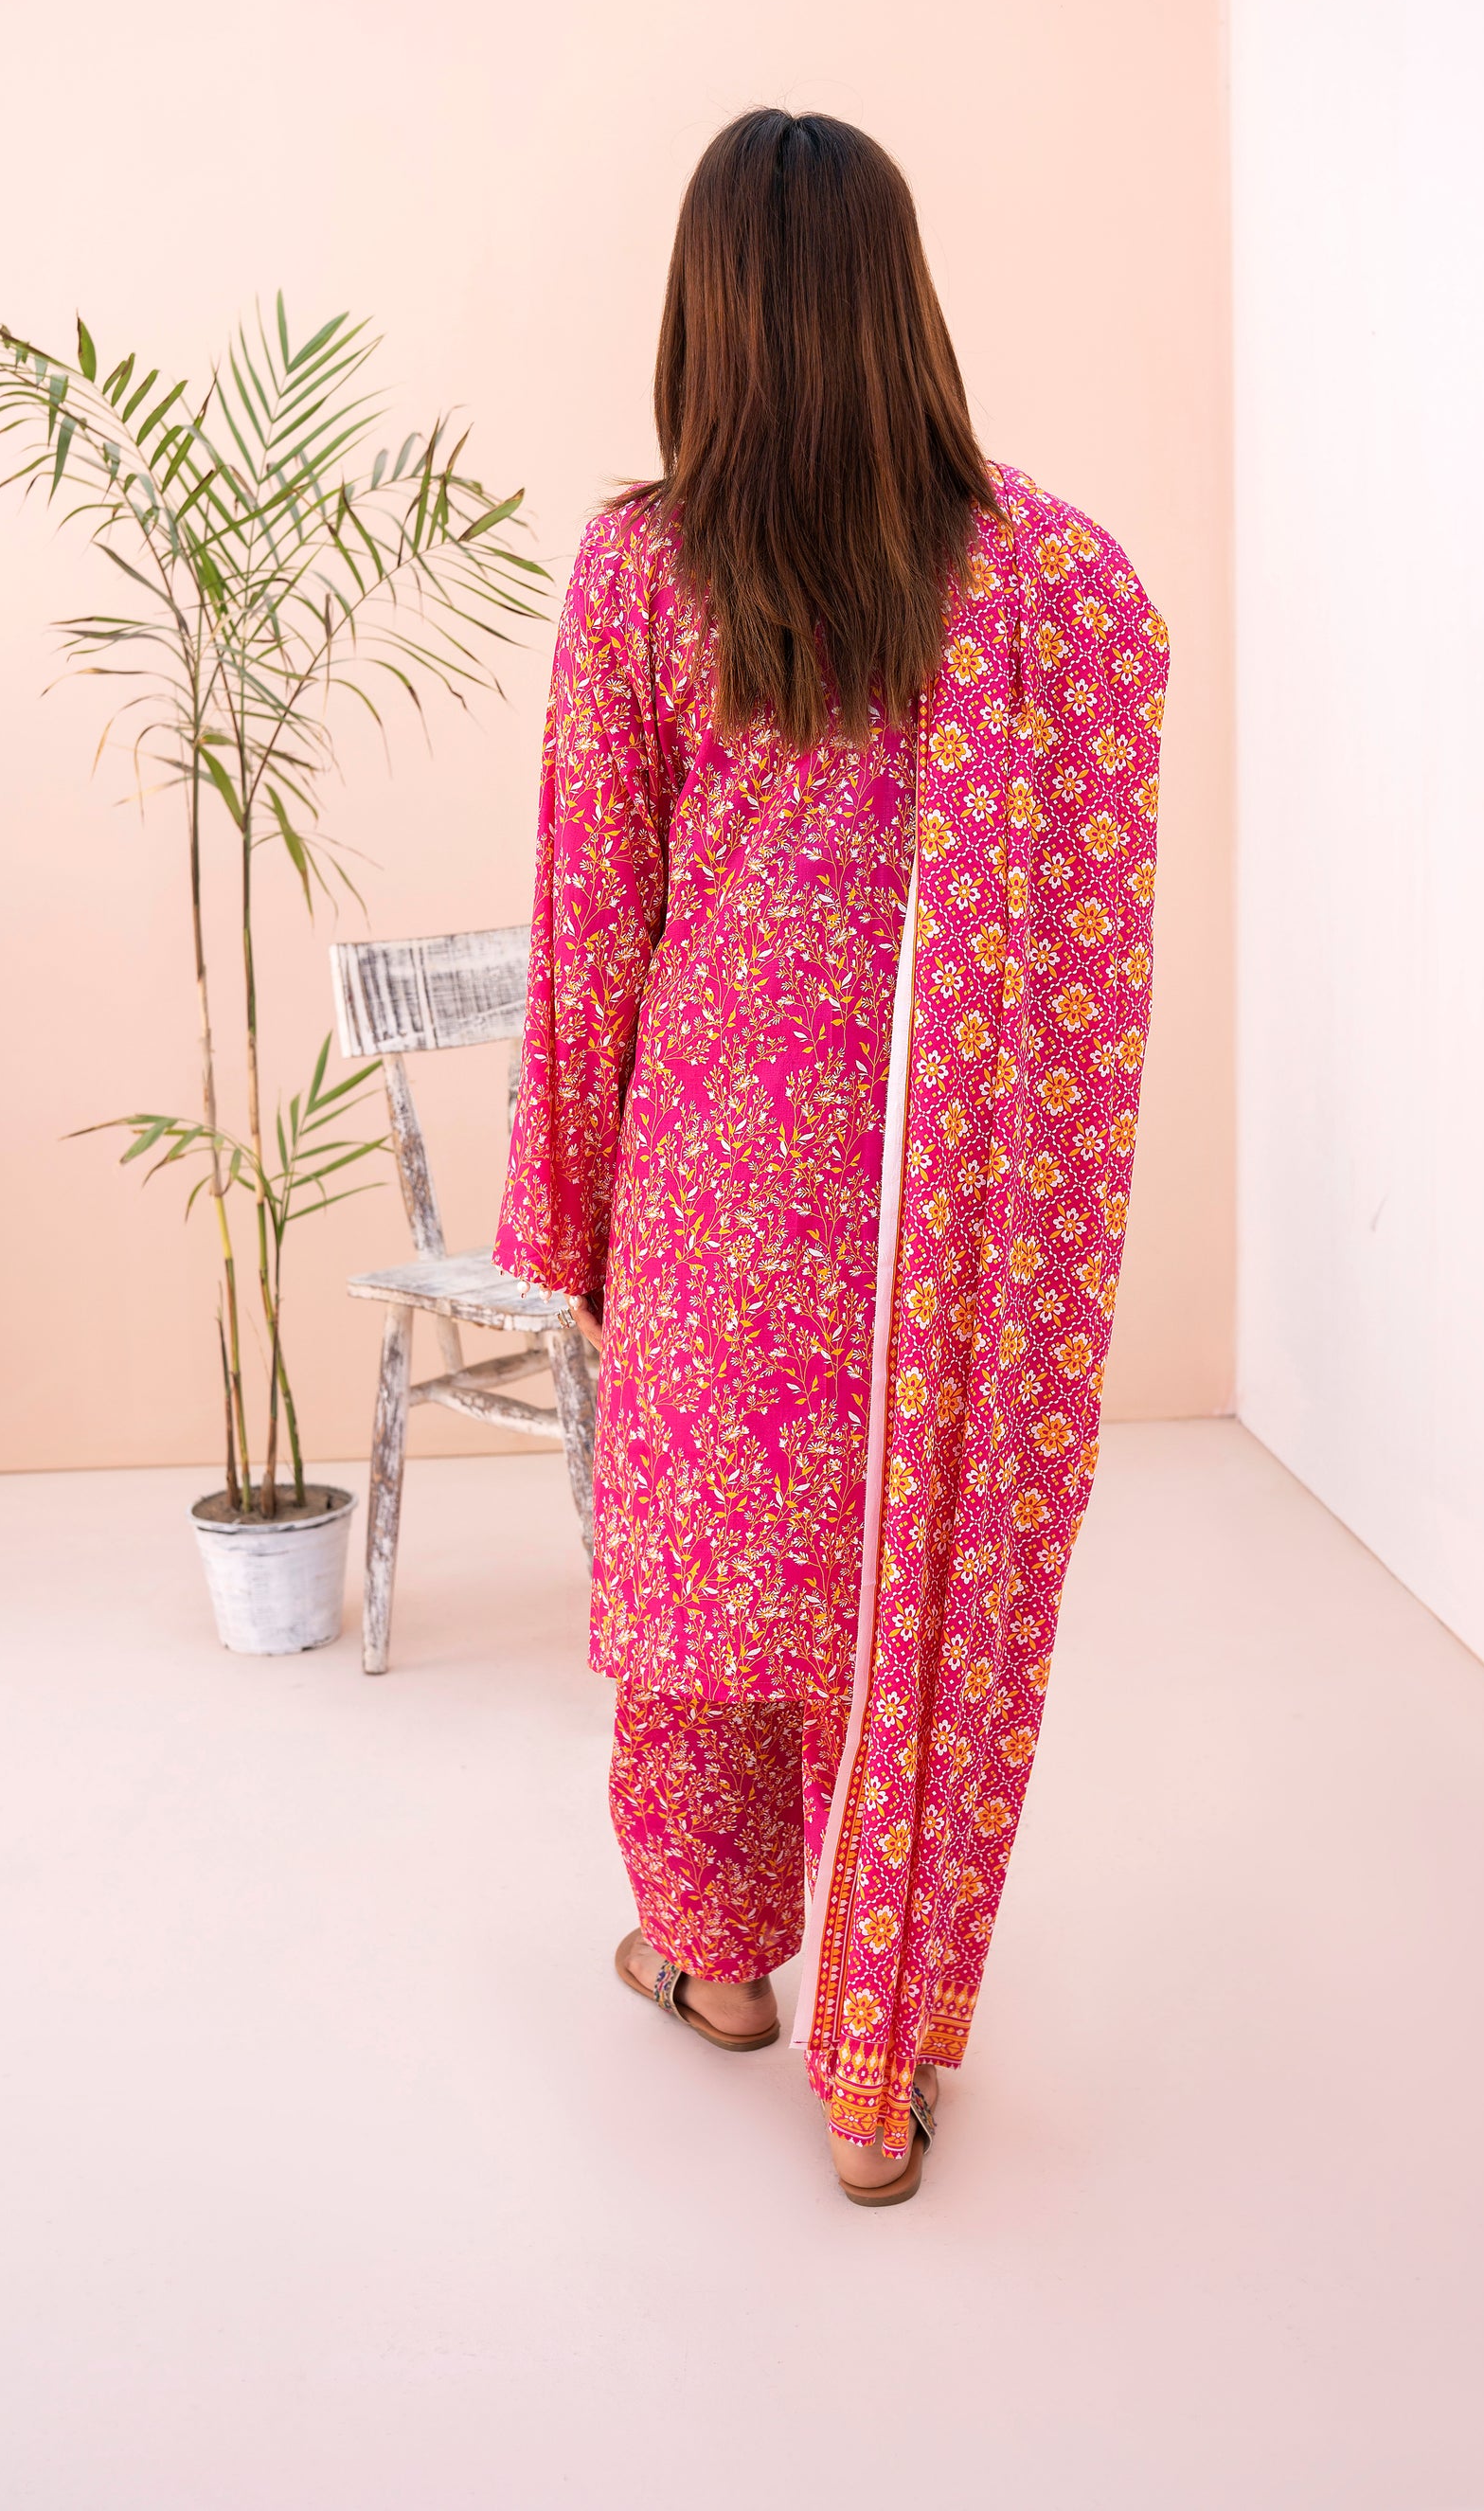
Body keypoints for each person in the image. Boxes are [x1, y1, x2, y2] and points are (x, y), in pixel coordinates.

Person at [497, 108, 1168, 2205]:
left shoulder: (641, 568)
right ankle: (878, 2078)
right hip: (934, 1191)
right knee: (905, 1581)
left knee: (706, 1583)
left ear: (705, 311)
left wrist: (563, 1209)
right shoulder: (1038, 577)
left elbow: (593, 912)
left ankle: (712, 1963)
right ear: (900, 302)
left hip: (714, 1174)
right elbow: (1102, 801)